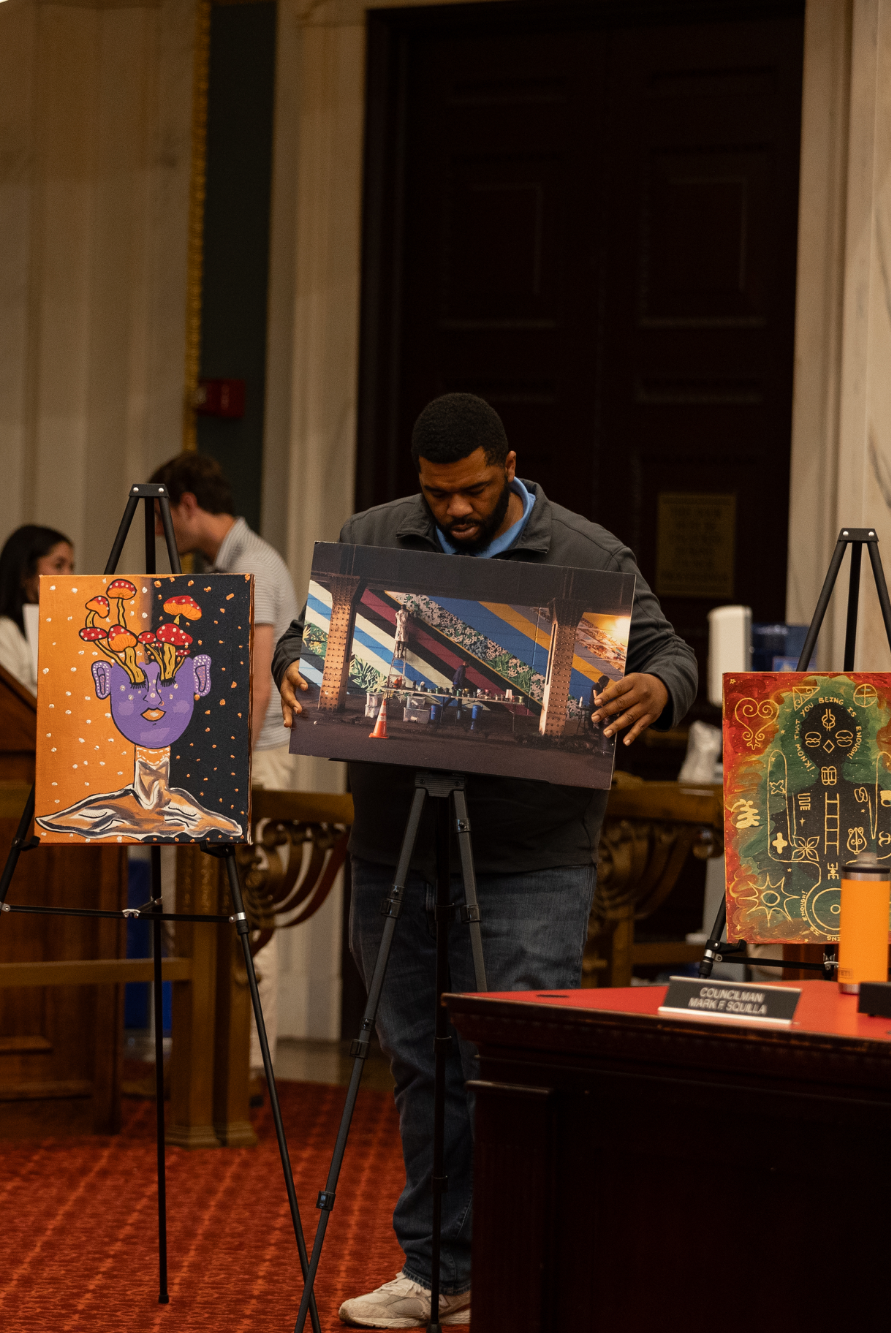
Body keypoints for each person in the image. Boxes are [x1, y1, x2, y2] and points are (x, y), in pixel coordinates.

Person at [274, 393, 696, 1329]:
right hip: (396, 848)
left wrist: (653, 688)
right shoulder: (376, 539)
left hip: (533, 859)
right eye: (437, 495)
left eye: (472, 490)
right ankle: (437, 1270)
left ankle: (523, 1269)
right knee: (421, 1065)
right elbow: (311, 638)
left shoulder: (589, 556)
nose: (455, 512)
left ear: (511, 463)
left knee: (509, 1067)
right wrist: (292, 665)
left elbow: (675, 657)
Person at [148, 452, 298, 790]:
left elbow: (256, 685)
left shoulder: (252, 564)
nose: (158, 532)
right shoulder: (226, 562)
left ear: (187, 504)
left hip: (258, 751)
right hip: (242, 745)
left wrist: (232, 771)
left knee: (254, 845)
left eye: (161, 516)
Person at [0, 525, 74, 690]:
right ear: (26, 572)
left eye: (71, 567)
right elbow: (8, 700)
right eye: (58, 566)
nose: (69, 576)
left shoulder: (67, 629)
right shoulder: (3, 631)